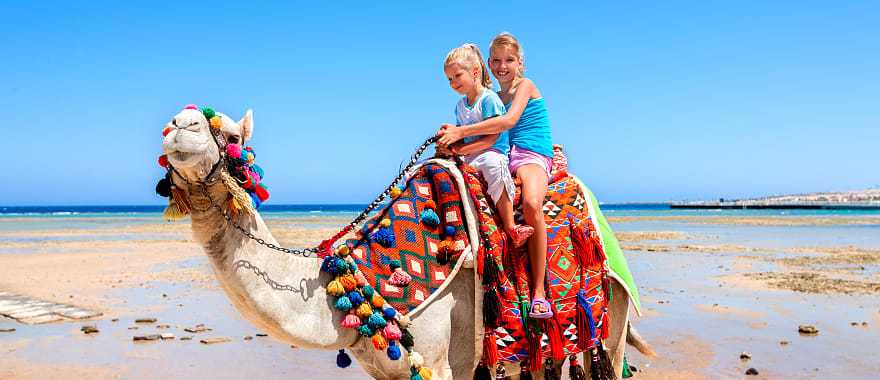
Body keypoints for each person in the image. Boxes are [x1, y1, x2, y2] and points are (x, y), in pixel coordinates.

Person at [437, 33, 554, 319]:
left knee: (530, 204)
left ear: (520, 62)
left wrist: (461, 133)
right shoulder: (490, 97)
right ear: (489, 64)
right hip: (506, 153)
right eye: (497, 61)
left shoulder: (525, 86)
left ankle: (539, 292)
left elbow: (508, 122)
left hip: (530, 154)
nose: (503, 66)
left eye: (509, 60)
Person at [443, 43, 534, 247]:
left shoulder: (489, 99)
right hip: (471, 154)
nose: (453, 82)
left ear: (475, 71)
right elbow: (461, 134)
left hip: (491, 151)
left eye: (457, 76)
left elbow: (492, 137)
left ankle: (511, 226)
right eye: (450, 79)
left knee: (494, 167)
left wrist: (461, 149)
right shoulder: (460, 106)